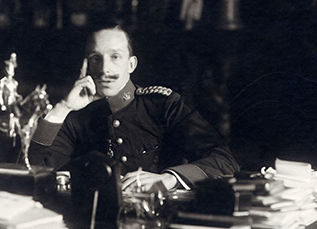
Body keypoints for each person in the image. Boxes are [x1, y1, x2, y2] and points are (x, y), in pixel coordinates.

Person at [29, 24, 239, 192]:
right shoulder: (76, 113)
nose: (105, 69)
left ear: (131, 65)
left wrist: (169, 178)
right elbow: (34, 167)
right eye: (96, 59)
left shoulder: (162, 104)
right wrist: (63, 108)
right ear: (87, 66)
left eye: (115, 57)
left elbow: (224, 160)